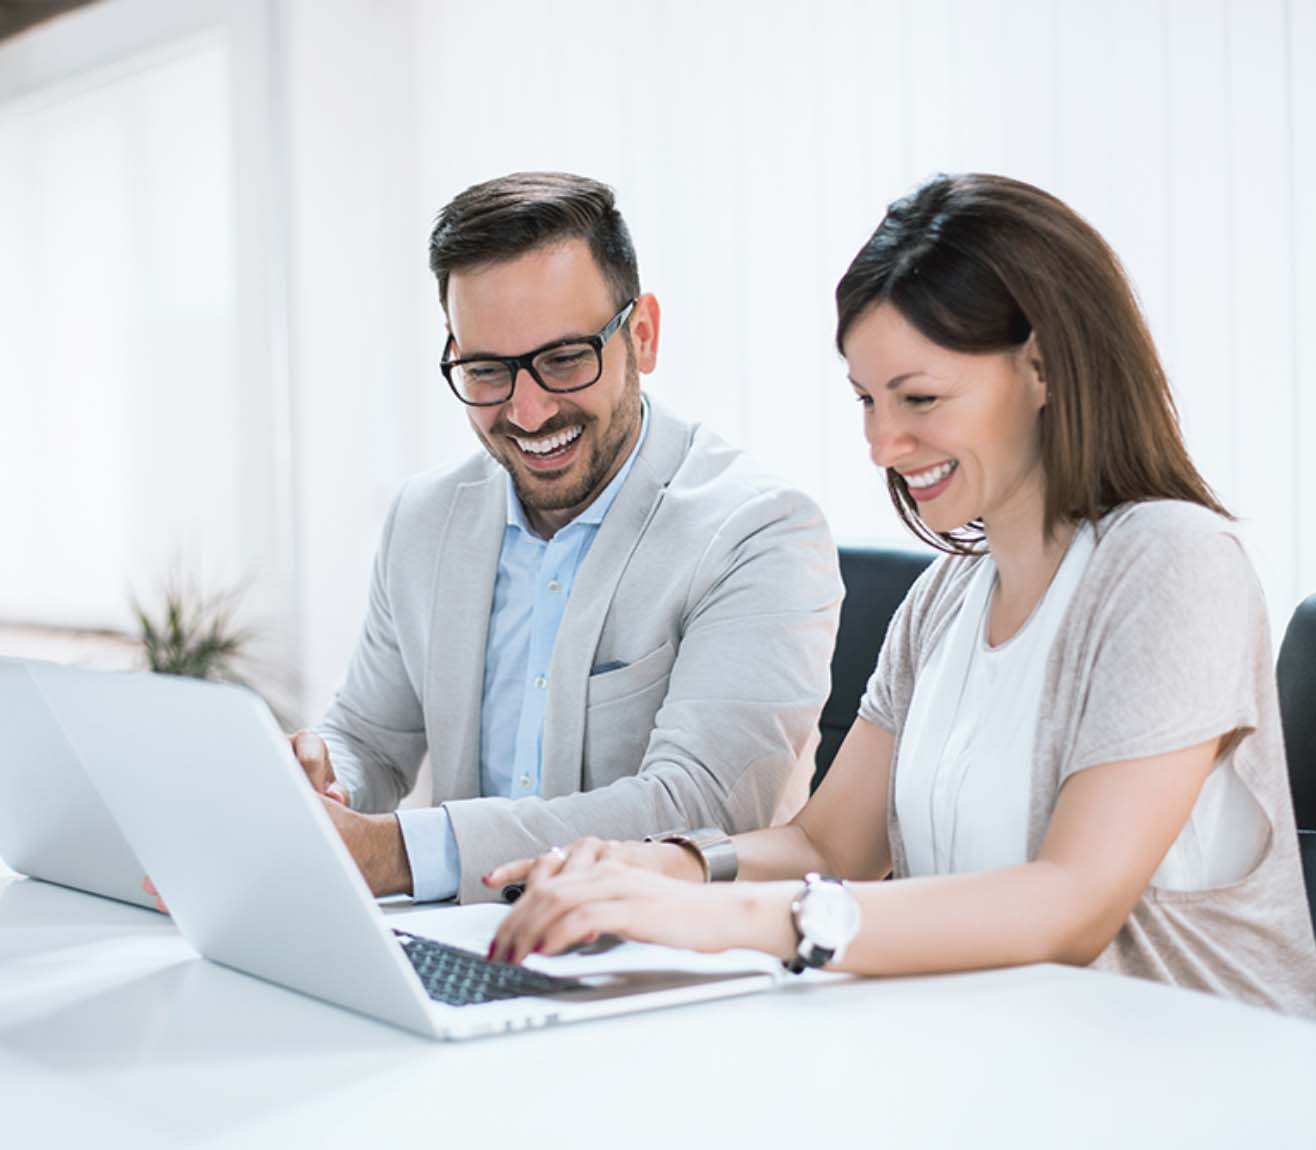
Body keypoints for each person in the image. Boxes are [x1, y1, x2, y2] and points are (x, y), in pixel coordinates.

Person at [486, 172, 1316, 1016]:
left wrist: (719, 915)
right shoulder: (949, 595)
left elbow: (1069, 906)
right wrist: (670, 865)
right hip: (1000, 1065)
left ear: (1045, 368)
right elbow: (829, 840)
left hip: (1199, 1086)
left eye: (920, 397)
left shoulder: (1173, 564)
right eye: (867, 401)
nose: (885, 443)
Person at [284, 172, 842, 905]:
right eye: (486, 370)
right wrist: (323, 785)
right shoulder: (423, 517)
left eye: (565, 359)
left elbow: (700, 809)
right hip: (463, 943)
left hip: (671, 967)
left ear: (641, 336)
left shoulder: (759, 531)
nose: (529, 409)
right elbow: (370, 733)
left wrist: (396, 854)